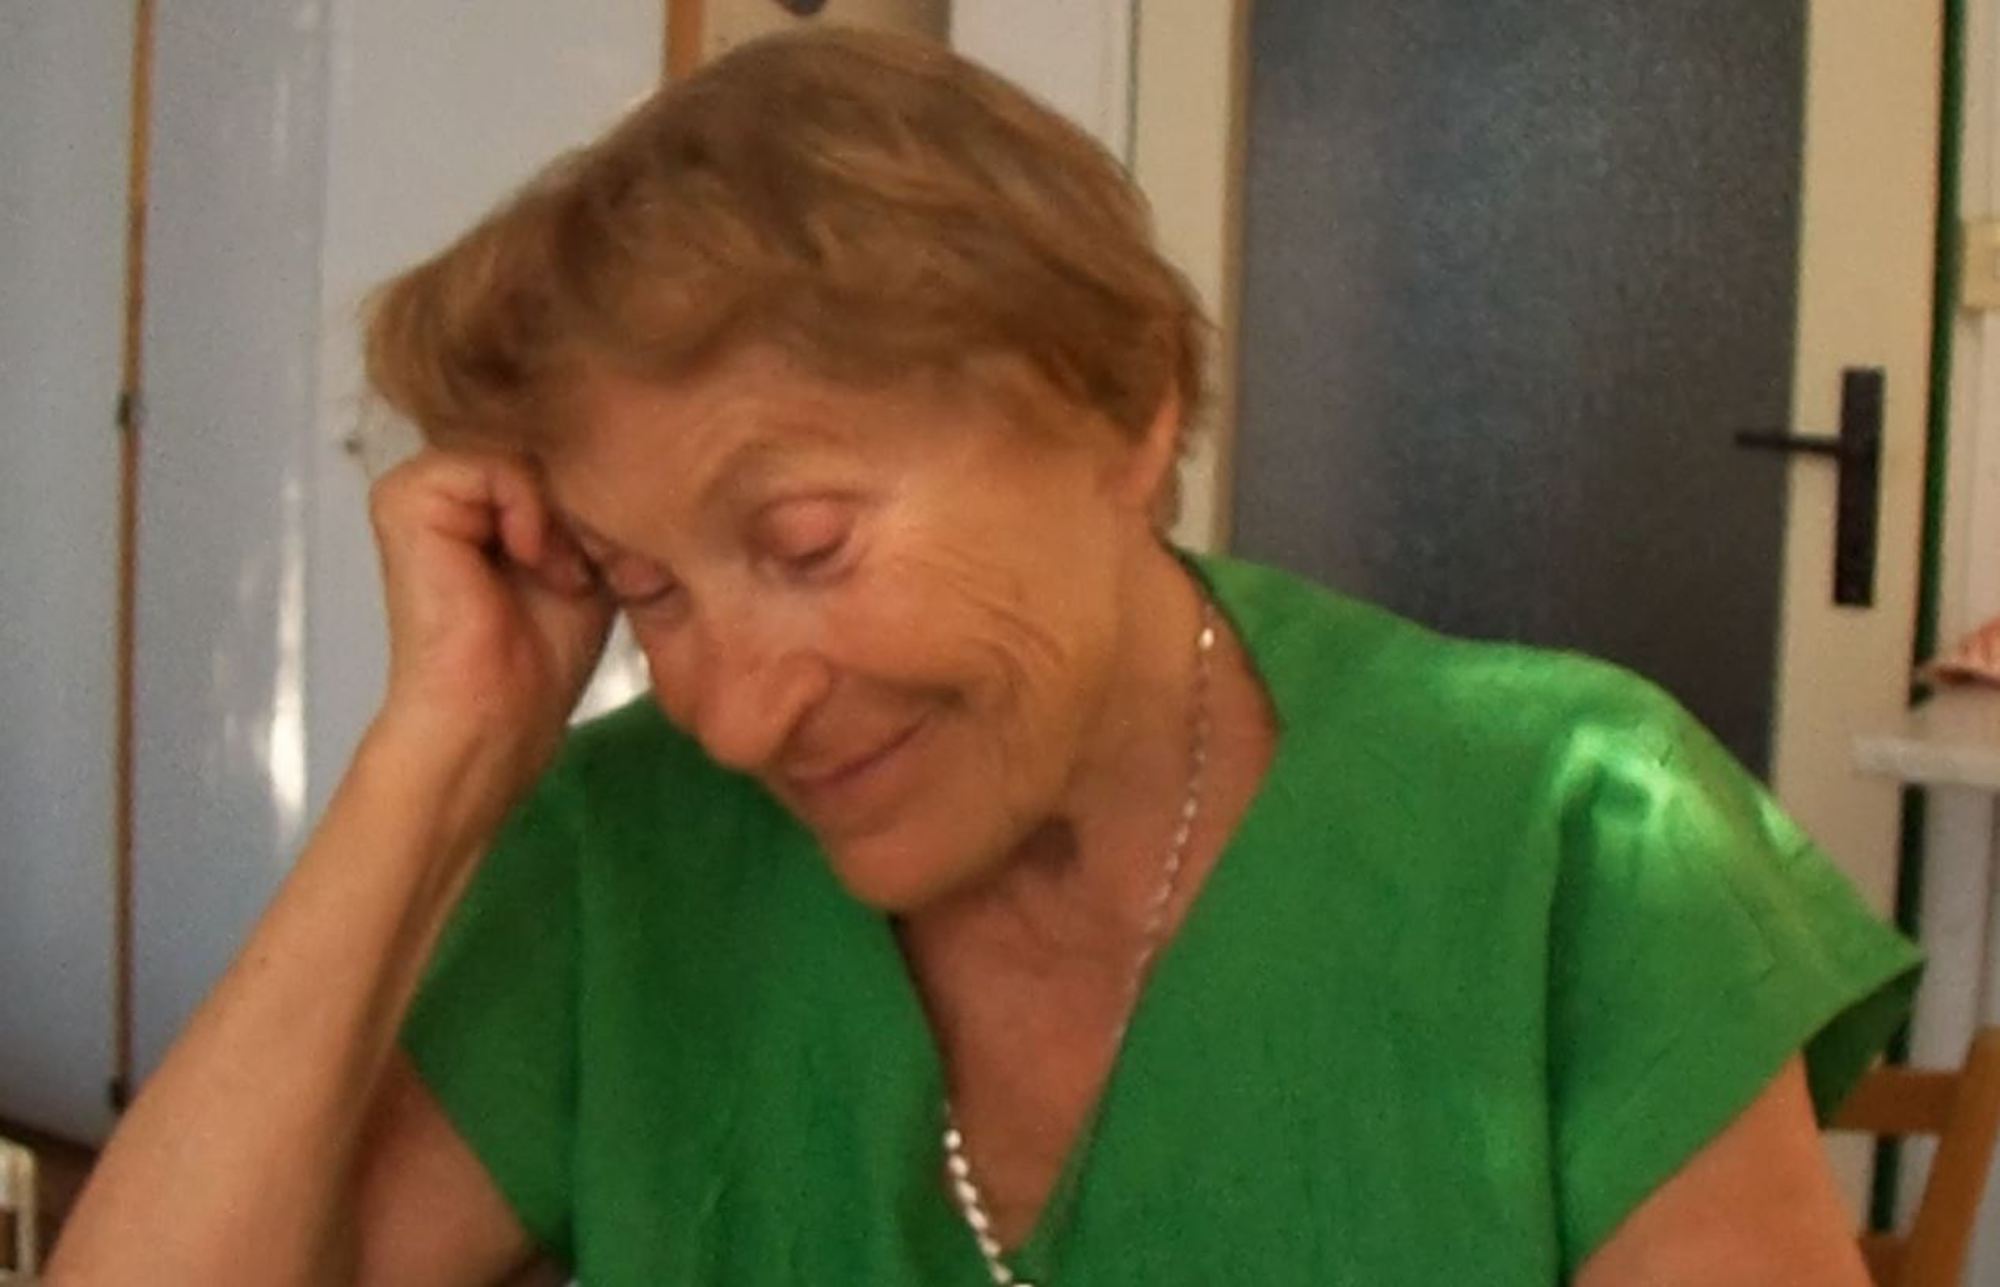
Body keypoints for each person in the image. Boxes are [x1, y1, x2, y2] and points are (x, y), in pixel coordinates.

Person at [51, 27, 1920, 1287]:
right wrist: (440, 761)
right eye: (647, 590)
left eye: (807, 544)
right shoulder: (630, 855)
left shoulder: (1571, 839)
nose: (731, 716)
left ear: (1122, 404)